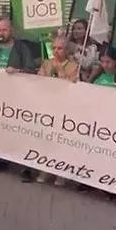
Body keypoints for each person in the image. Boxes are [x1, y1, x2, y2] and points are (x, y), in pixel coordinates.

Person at [0, 18, 35, 173]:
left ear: (11, 30)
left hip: (17, 96)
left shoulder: (21, 48)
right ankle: (3, 159)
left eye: (4, 30)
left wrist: (18, 71)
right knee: (2, 129)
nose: (1, 33)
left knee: (20, 130)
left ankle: (25, 166)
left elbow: (31, 69)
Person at [30, 35, 80, 184]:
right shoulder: (46, 63)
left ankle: (61, 173)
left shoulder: (73, 66)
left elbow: (72, 86)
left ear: (67, 50)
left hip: (64, 109)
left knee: (61, 141)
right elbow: (40, 82)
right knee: (46, 140)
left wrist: (60, 73)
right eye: (54, 48)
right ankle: (45, 169)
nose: (56, 51)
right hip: (47, 106)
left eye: (60, 48)